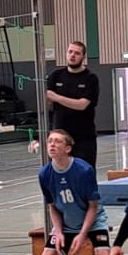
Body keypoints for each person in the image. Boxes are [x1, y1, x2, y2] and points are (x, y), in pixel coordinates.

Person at [12, 129, 128, 255]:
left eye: (57, 141)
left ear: (68, 148)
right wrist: (58, 231)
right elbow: (53, 206)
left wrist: (82, 235)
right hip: (66, 222)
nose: (52, 145)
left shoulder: (83, 171)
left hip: (92, 220)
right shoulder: (45, 174)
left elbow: (93, 206)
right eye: (49, 141)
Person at [45, 41, 101, 176]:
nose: (72, 55)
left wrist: (57, 97)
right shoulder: (55, 76)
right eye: (70, 52)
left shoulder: (90, 78)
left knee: (84, 174)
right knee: (58, 174)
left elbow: (82, 105)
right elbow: (46, 101)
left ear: (83, 57)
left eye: (77, 53)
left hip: (83, 137)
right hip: (60, 136)